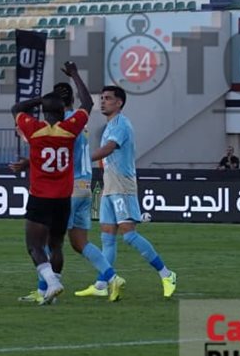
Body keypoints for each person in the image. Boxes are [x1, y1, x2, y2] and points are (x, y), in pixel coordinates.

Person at [12, 65, 122, 303]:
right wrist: (74, 75)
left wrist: (41, 100)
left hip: (52, 193)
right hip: (75, 190)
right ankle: (110, 276)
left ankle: (47, 287)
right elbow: (88, 104)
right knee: (71, 243)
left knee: (38, 245)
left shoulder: (42, 129)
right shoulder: (74, 125)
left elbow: (17, 109)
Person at [90, 85, 176, 299]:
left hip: (122, 186)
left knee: (129, 235)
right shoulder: (109, 126)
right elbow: (106, 156)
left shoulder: (121, 124)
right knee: (107, 237)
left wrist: (83, 159)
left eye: (108, 98)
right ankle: (101, 284)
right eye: (102, 98)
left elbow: (109, 148)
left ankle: (167, 274)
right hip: (109, 186)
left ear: (119, 102)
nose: (103, 101)